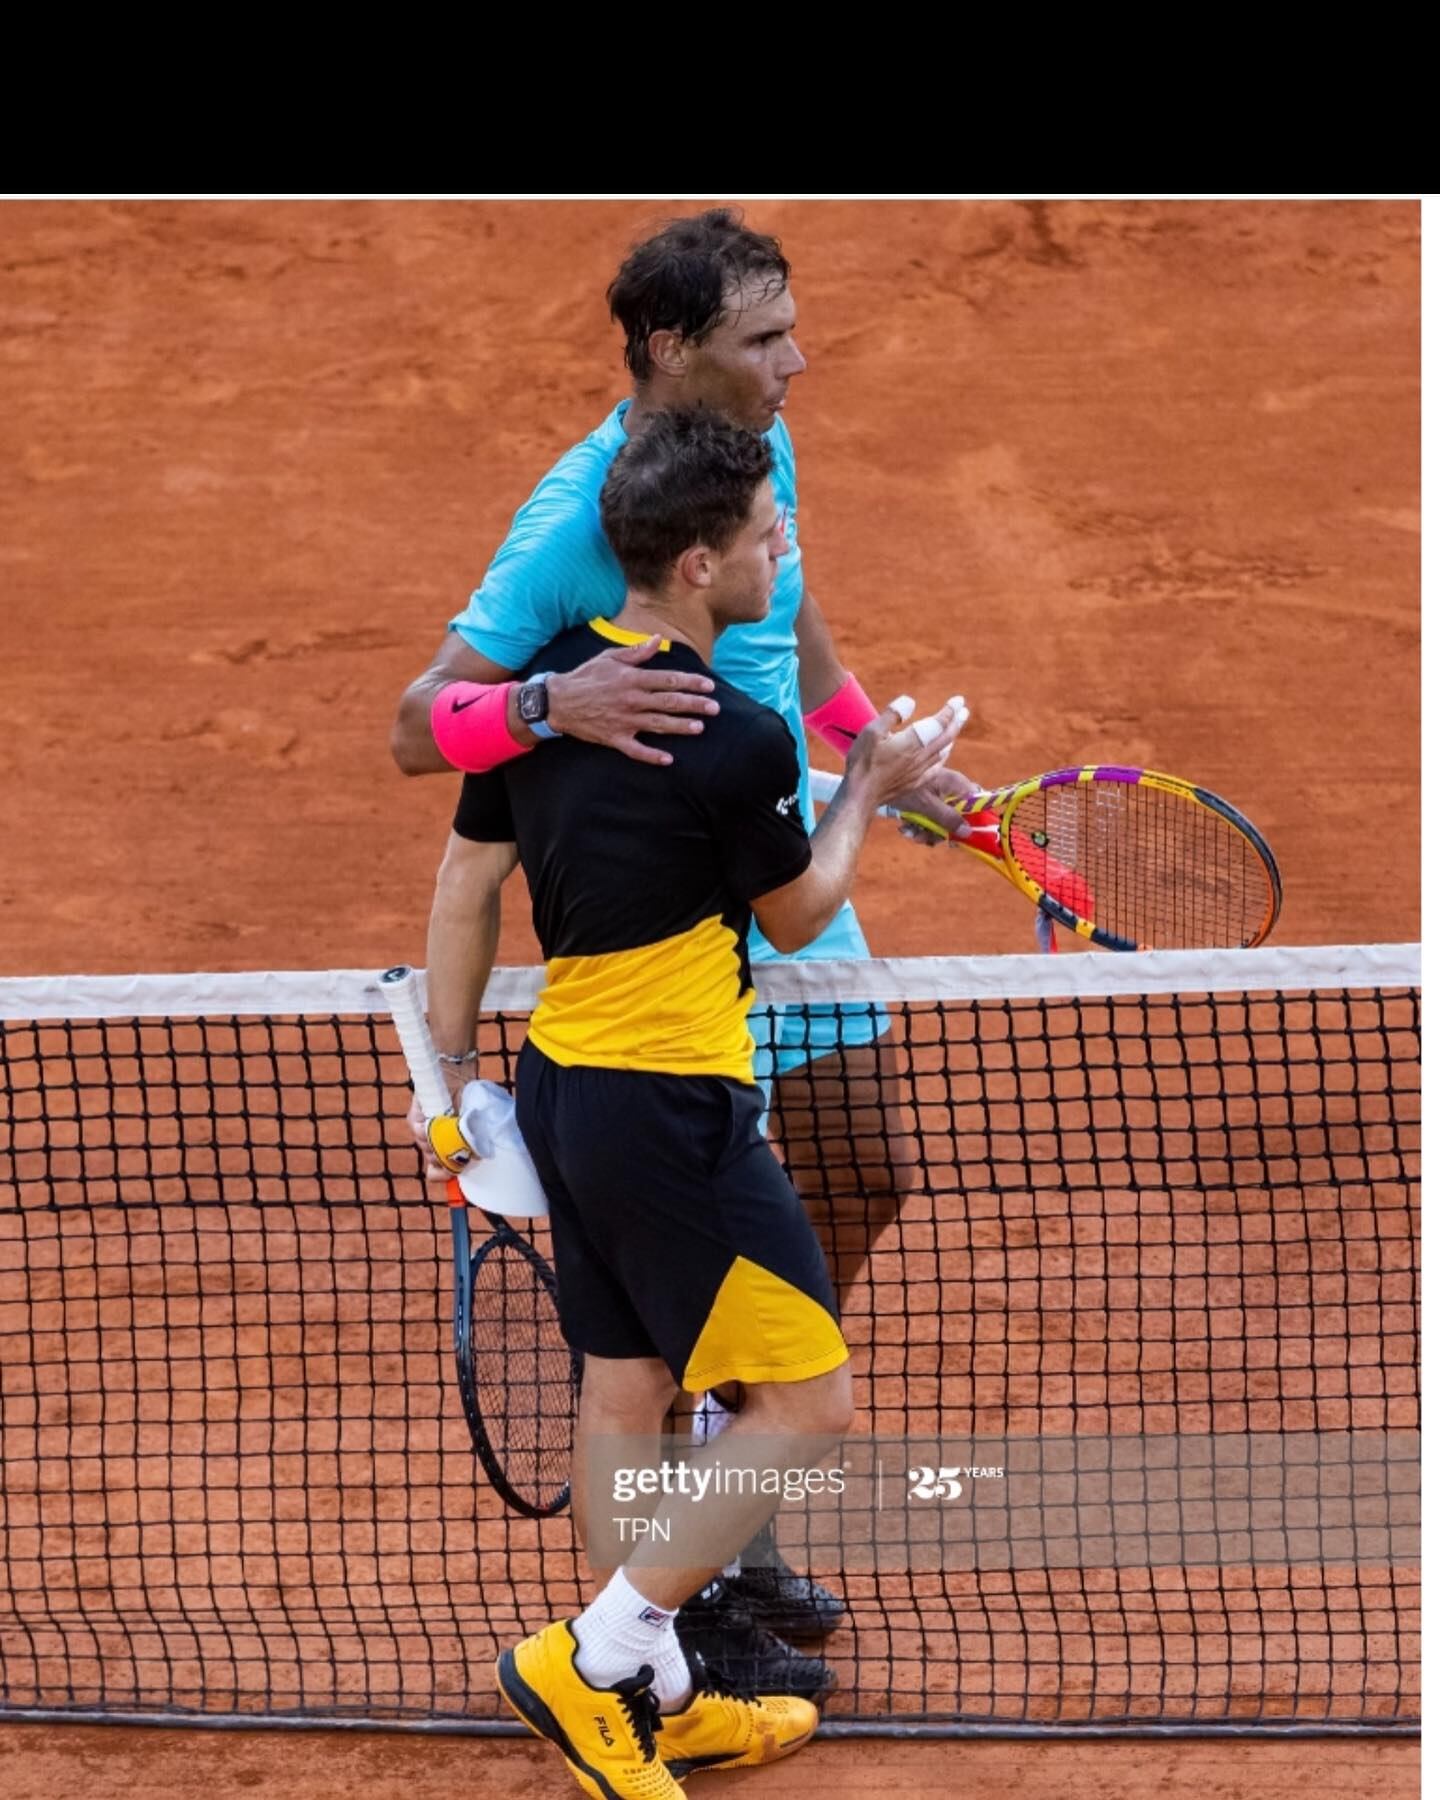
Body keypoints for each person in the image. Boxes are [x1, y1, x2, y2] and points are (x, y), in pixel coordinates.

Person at [393, 206, 973, 1693]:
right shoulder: (575, 520)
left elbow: (799, 639)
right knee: (659, 1297)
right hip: (673, 930)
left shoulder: (755, 450)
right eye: (764, 337)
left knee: (861, 1172)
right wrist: (547, 707)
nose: (799, 359)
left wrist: (882, 757)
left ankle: (728, 1482)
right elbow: (419, 724)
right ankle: (677, 1592)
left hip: (787, 861)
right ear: (670, 349)